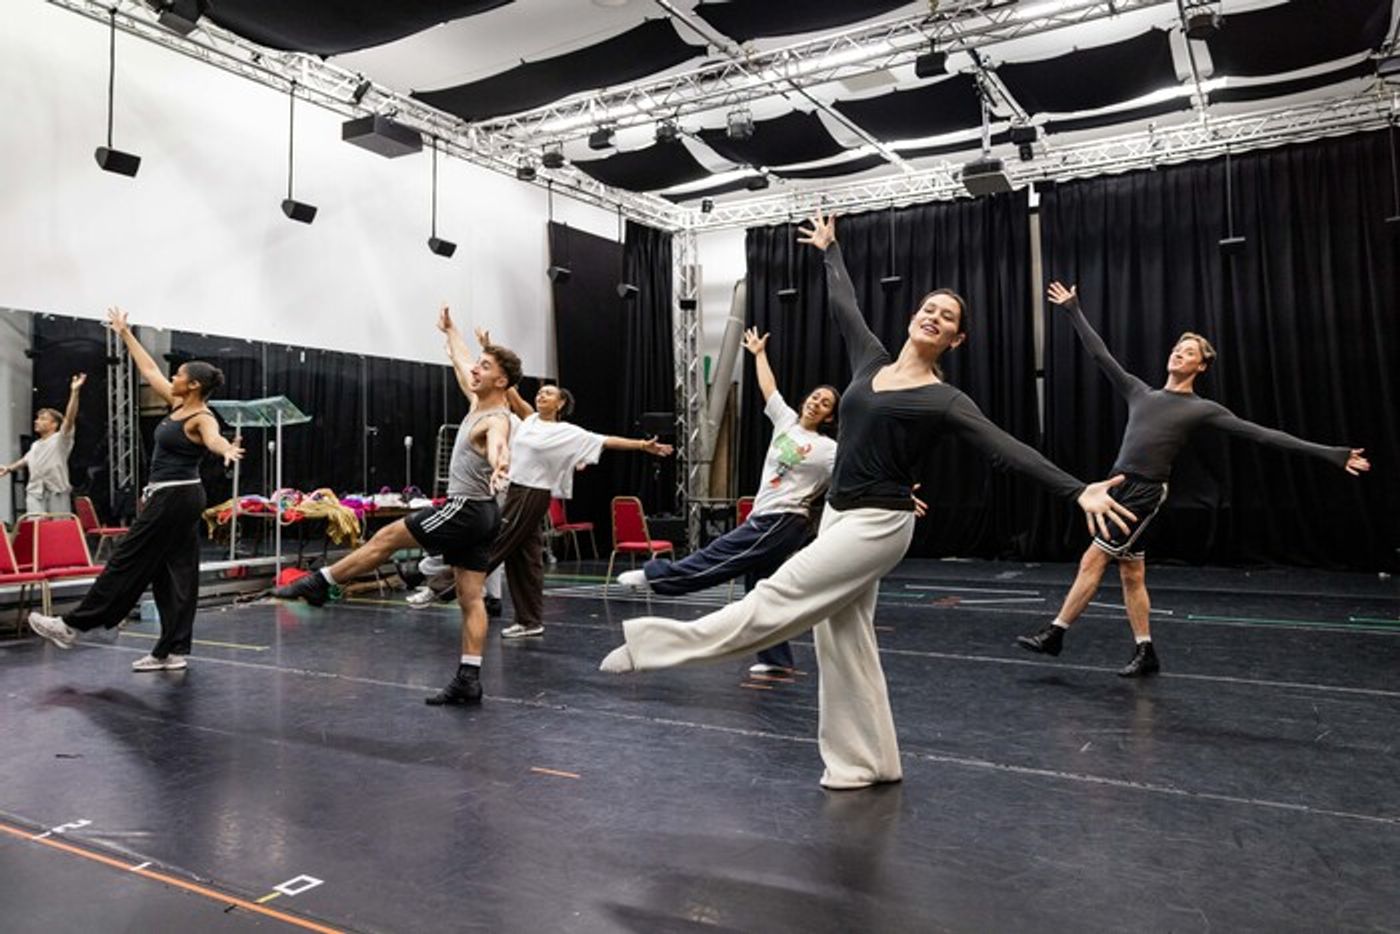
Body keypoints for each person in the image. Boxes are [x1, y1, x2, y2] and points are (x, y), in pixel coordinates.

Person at [599, 211, 1136, 789]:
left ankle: (653, 646)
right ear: (913, 318)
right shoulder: (872, 360)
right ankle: (868, 763)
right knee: (842, 640)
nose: (935, 316)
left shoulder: (944, 399)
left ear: (957, 339)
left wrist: (1078, 489)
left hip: (879, 524)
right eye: (929, 308)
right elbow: (844, 306)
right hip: (836, 515)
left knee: (777, 595)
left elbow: (1008, 449)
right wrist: (830, 251)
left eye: (948, 316)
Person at [1016, 282, 1371, 676]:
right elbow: (1101, 355)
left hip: (1145, 494)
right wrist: (1072, 309)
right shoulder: (1140, 392)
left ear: (1200, 366)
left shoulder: (1201, 409)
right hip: (1116, 488)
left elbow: (1264, 435)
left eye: (1188, 353)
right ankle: (1145, 651)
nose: (1178, 354)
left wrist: (1333, 455)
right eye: (1176, 349)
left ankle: (1056, 633)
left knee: (1093, 558)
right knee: (1132, 573)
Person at [276, 305, 518, 708]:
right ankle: (468, 678)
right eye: (478, 363)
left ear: (502, 380)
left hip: (467, 507)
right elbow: (460, 361)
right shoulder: (479, 403)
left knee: (388, 537)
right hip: (483, 515)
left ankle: (321, 582)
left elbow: (499, 445)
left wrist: (501, 465)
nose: (475, 368)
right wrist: (451, 331)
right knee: (471, 598)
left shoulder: (496, 418)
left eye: (485, 365)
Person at [27, 308, 243, 672]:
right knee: (172, 570)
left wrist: (225, 449)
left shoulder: (201, 416)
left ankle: (72, 626)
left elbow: (214, 438)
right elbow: (148, 370)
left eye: (179, 375)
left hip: (176, 497)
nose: (172, 376)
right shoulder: (178, 403)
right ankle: (170, 651)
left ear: (192, 385)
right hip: (176, 497)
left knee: (127, 558)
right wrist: (125, 333)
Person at [615, 325, 838, 674]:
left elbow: (857, 476)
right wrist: (759, 354)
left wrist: (898, 494)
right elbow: (769, 390)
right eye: (814, 397)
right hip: (767, 518)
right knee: (764, 591)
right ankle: (776, 660)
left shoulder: (829, 451)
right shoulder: (787, 423)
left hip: (784, 520)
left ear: (830, 416)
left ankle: (657, 577)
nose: (816, 402)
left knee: (719, 557)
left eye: (825, 403)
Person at [487, 325, 673, 639]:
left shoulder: (567, 432)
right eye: (542, 391)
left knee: (497, 543)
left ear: (559, 405)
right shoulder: (530, 419)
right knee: (527, 559)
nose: (541, 394)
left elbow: (608, 440)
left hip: (532, 494)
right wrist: (492, 351)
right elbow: (510, 391)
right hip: (518, 490)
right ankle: (530, 621)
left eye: (549, 394)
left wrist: (643, 446)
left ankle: (443, 584)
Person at [2, 373, 86, 515]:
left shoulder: (61, 439)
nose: (37, 421)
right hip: (35, 492)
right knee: (36, 527)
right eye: (37, 419)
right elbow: (26, 460)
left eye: (42, 419)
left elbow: (70, 418)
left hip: (56, 491)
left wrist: (74, 392)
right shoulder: (35, 445)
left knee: (58, 528)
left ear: (54, 424)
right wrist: (9, 468)